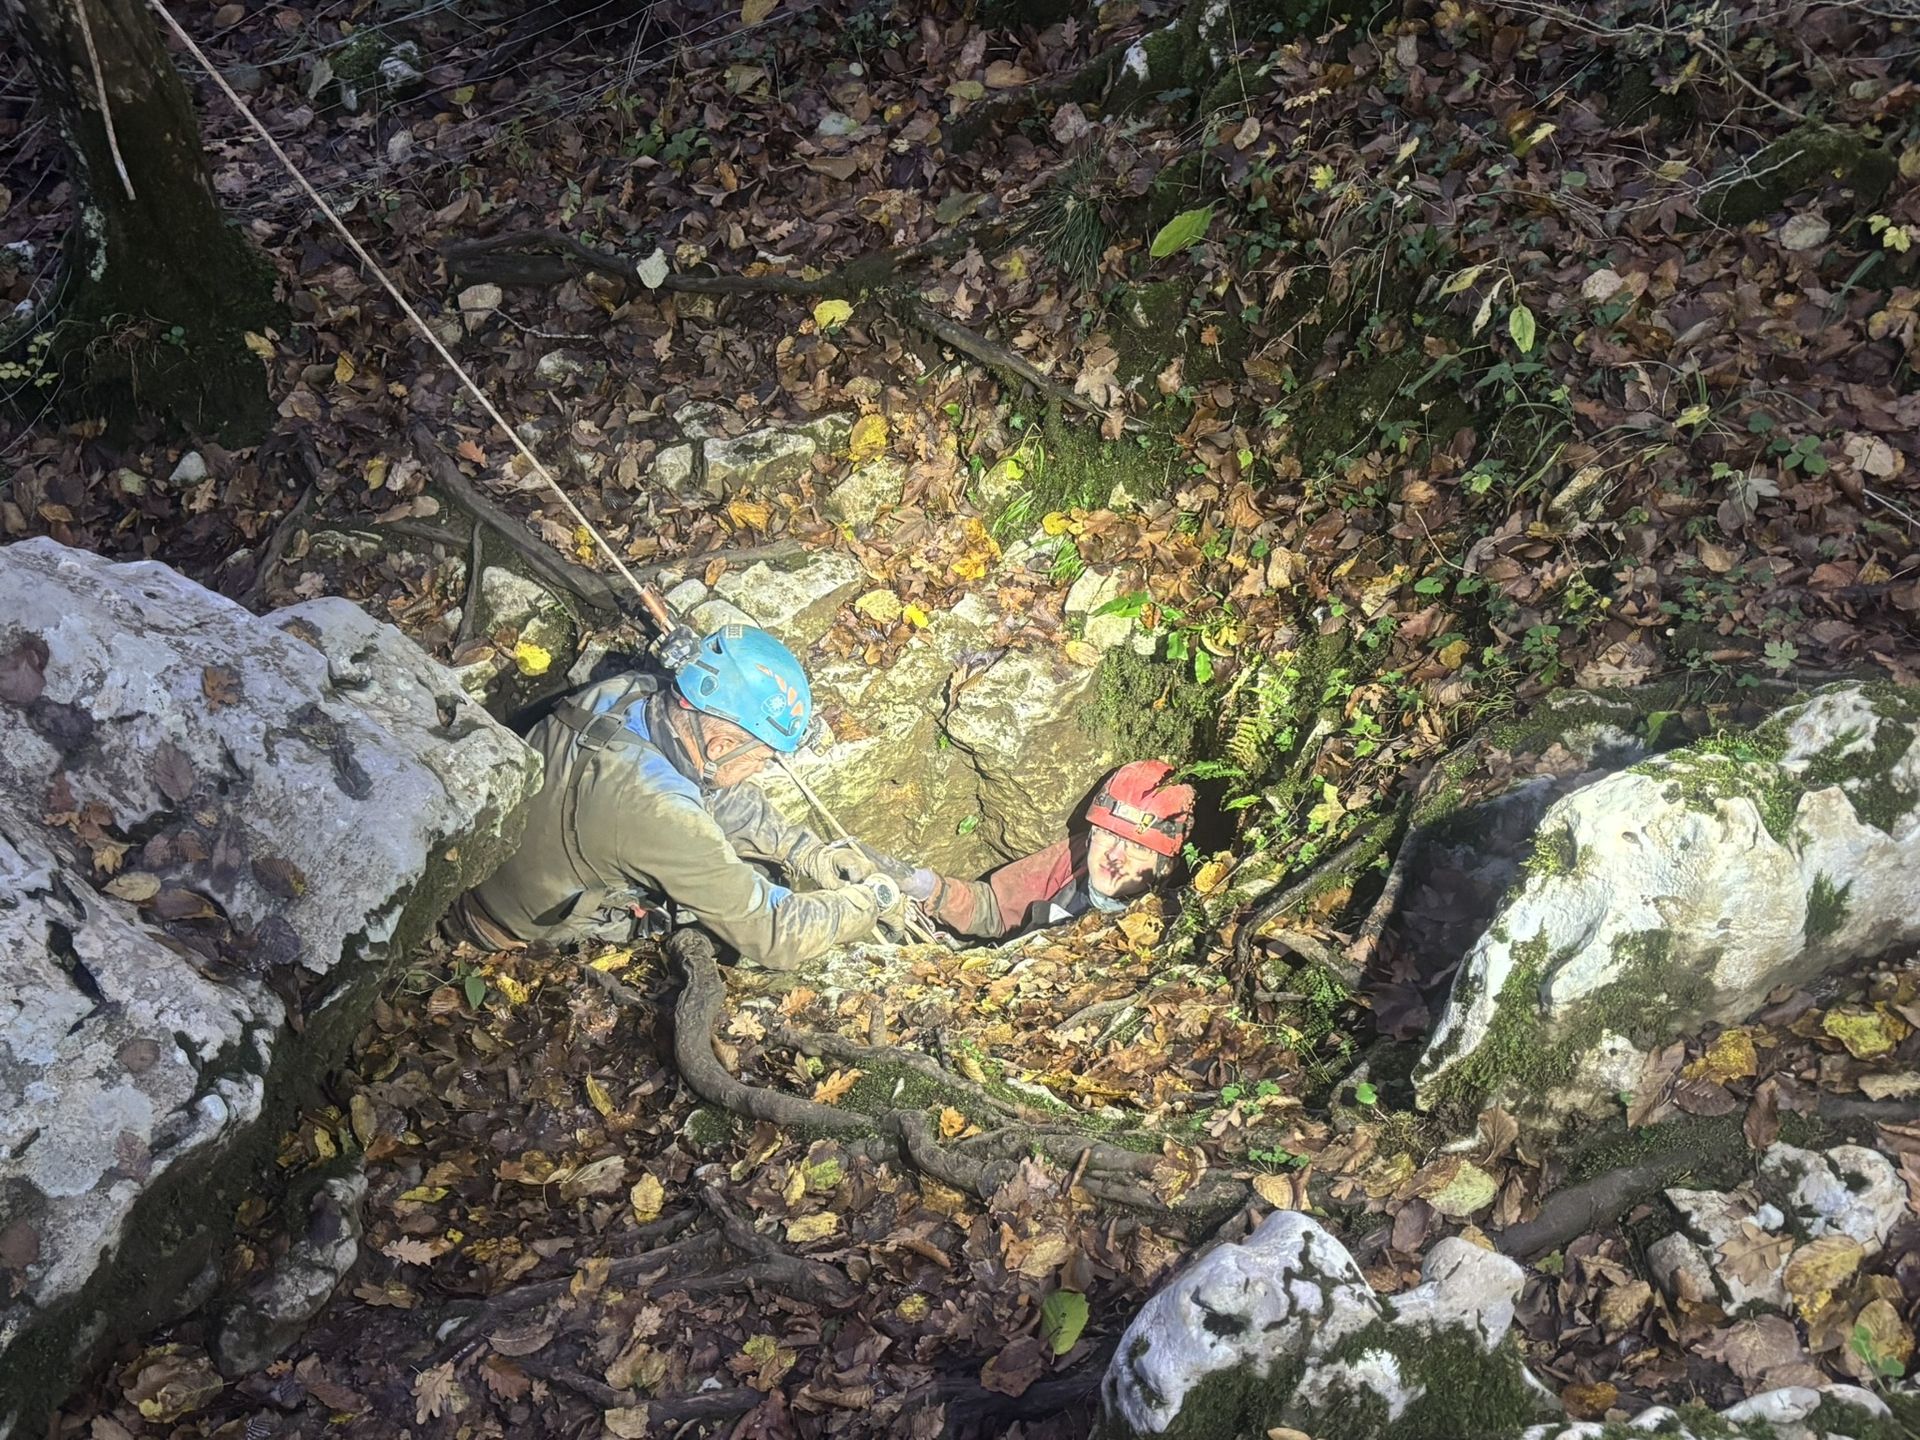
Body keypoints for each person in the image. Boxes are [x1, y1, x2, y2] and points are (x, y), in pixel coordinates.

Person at [445, 625, 908, 970]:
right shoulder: (658, 811)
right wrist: (867, 902)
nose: (760, 770)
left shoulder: (632, 694)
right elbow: (775, 934)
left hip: (490, 873)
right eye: (761, 759)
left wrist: (805, 852)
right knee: (746, 905)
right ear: (721, 745)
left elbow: (717, 794)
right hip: (508, 937)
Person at [900, 760, 1196, 942]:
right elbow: (995, 909)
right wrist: (930, 889)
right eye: (1107, 834)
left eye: (1138, 847)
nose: (1115, 856)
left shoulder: (1166, 928)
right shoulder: (1076, 857)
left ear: (1165, 866)